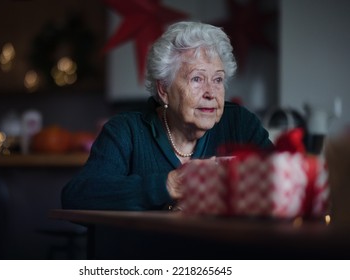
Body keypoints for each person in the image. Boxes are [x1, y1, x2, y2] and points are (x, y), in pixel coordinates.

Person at [61, 21, 273, 211]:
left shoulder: (240, 124)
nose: (211, 93)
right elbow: (78, 195)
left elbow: (283, 182)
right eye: (197, 79)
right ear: (163, 90)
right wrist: (170, 185)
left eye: (217, 80)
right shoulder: (126, 131)